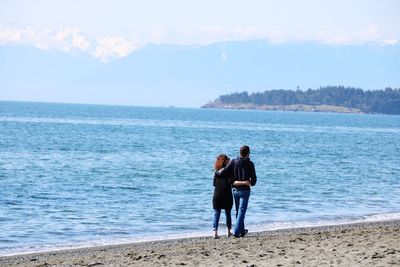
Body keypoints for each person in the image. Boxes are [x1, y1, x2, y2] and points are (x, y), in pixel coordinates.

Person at [216, 145, 257, 238]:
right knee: (241, 212)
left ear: (240, 153)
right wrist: (249, 182)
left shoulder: (234, 161)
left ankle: (242, 231)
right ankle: (236, 231)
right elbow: (254, 181)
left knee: (238, 211)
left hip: (235, 190)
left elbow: (223, 172)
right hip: (245, 191)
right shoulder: (250, 164)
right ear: (248, 153)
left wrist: (217, 172)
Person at [212, 154, 233, 239]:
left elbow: (214, 184)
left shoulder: (216, 172)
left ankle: (215, 232)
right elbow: (231, 182)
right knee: (228, 213)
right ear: (224, 161)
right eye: (228, 159)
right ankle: (228, 232)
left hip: (217, 194)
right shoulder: (229, 172)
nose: (229, 161)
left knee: (217, 213)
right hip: (227, 194)